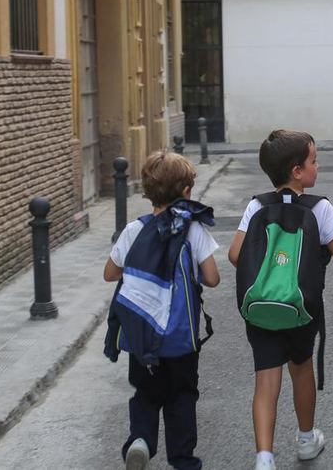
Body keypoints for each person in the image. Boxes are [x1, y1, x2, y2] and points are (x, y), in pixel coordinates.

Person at [228, 129, 333, 470]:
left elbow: (235, 255)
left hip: (260, 307)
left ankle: (264, 457)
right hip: (302, 308)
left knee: (265, 377)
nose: (317, 167)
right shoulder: (319, 208)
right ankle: (306, 440)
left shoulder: (256, 205)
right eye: (314, 161)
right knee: (301, 369)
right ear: (297, 172)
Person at [103, 151, 222, 470]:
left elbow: (110, 274)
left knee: (145, 394)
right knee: (182, 398)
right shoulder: (193, 230)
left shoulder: (133, 231)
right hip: (182, 340)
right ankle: (183, 460)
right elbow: (212, 278)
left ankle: (140, 440)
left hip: (142, 337)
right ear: (185, 192)